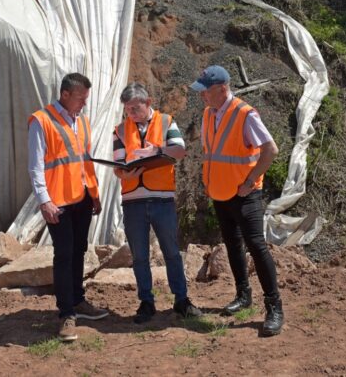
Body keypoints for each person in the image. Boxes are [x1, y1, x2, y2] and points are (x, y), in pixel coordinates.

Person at [190, 65, 284, 337]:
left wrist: (250, 181)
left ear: (222, 89)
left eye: (205, 92)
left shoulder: (245, 114)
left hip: (245, 194)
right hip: (220, 194)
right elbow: (212, 154)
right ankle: (243, 295)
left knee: (256, 246)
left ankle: (274, 307)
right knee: (232, 244)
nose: (202, 97)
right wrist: (209, 183)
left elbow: (270, 150)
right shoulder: (209, 114)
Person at [28, 73, 110, 342]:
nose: (85, 103)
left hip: (82, 198)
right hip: (58, 202)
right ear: (65, 94)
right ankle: (66, 314)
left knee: (79, 250)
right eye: (81, 98)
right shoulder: (42, 121)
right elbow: (36, 166)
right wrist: (44, 201)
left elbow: (84, 161)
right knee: (63, 255)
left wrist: (94, 194)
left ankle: (78, 300)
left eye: (86, 98)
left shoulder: (81, 121)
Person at [112, 83, 203, 323]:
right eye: (127, 109)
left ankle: (181, 300)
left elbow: (180, 150)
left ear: (148, 101)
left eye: (135, 107)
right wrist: (124, 173)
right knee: (139, 255)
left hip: (162, 199)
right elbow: (118, 164)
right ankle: (146, 302)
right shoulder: (120, 130)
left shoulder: (166, 121)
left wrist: (158, 150)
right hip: (133, 201)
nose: (131, 113)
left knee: (172, 252)